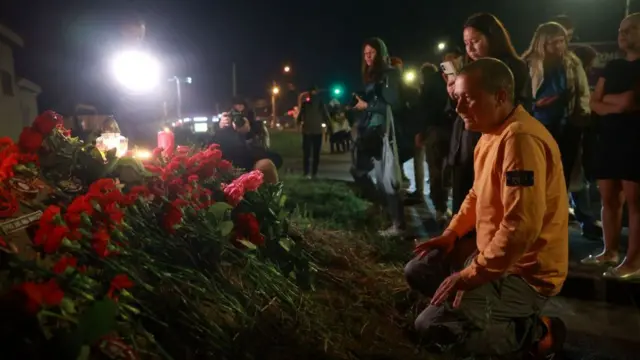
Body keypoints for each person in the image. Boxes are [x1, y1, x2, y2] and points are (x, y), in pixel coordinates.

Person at [405, 58, 568, 359]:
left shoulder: (520, 139)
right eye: (457, 98)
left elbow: (521, 226)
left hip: (524, 272)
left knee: (431, 328)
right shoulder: (490, 134)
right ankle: (472, 313)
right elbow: (477, 195)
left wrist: (471, 275)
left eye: (468, 98)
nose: (459, 108)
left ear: (501, 96)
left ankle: (537, 331)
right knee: (418, 268)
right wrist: (451, 234)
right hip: (492, 257)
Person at [447, 13, 533, 214]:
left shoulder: (513, 68)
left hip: (495, 146)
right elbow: (459, 110)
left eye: (475, 41)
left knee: (493, 206)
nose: (470, 48)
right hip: (466, 146)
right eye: (466, 43)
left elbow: (518, 109)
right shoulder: (468, 70)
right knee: (465, 205)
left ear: (493, 38)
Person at [581, 13, 640, 279]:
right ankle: (610, 251)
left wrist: (609, 103)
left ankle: (634, 260)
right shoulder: (613, 66)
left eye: (630, 29)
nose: (623, 33)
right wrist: (615, 104)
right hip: (609, 138)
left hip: (634, 138)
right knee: (608, 198)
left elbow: (629, 102)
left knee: (635, 203)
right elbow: (594, 102)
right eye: (620, 29)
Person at [522, 22, 591, 188]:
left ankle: (559, 211)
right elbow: (519, 95)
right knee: (538, 175)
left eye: (562, 41)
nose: (560, 46)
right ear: (542, 43)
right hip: (537, 126)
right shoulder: (529, 63)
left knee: (562, 175)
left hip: (566, 125)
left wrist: (580, 120)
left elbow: (582, 92)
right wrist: (535, 104)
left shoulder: (572, 62)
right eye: (554, 42)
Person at [351, 37, 405, 237]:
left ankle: (398, 224)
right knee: (364, 172)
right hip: (371, 130)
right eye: (365, 54)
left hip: (384, 131)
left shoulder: (390, 74)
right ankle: (385, 210)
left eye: (371, 53)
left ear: (381, 53)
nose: (367, 57)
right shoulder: (372, 76)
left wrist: (368, 105)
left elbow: (393, 104)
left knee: (387, 176)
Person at [408, 62, 451, 221]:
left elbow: (422, 111)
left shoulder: (428, 87)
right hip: (452, 130)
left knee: (435, 170)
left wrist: (419, 133)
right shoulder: (449, 79)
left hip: (434, 131)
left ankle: (440, 208)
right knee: (448, 169)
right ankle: (449, 204)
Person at [215, 113, 280, 184]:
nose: (237, 122)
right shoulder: (222, 135)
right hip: (228, 165)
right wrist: (223, 129)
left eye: (240, 119)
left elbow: (267, 154)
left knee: (266, 164)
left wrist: (247, 133)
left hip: (249, 161)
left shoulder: (255, 128)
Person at [297, 86, 330, 179]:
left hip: (309, 131)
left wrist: (298, 123)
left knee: (308, 154)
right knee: (314, 154)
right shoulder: (319, 103)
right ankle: (312, 173)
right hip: (314, 131)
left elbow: (300, 117)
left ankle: (307, 173)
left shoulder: (307, 104)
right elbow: (326, 115)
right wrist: (330, 125)